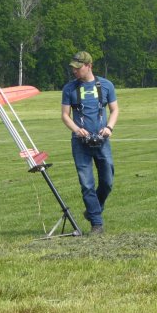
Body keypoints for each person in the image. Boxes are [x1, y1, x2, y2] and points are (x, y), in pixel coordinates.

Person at [61, 51, 119, 235]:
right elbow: (65, 115)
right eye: (73, 68)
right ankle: (97, 223)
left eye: (78, 68)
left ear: (89, 66)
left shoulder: (106, 86)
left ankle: (94, 209)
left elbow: (115, 109)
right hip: (80, 143)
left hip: (102, 140)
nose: (74, 71)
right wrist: (77, 130)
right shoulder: (69, 89)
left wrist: (109, 128)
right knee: (87, 183)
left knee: (107, 181)